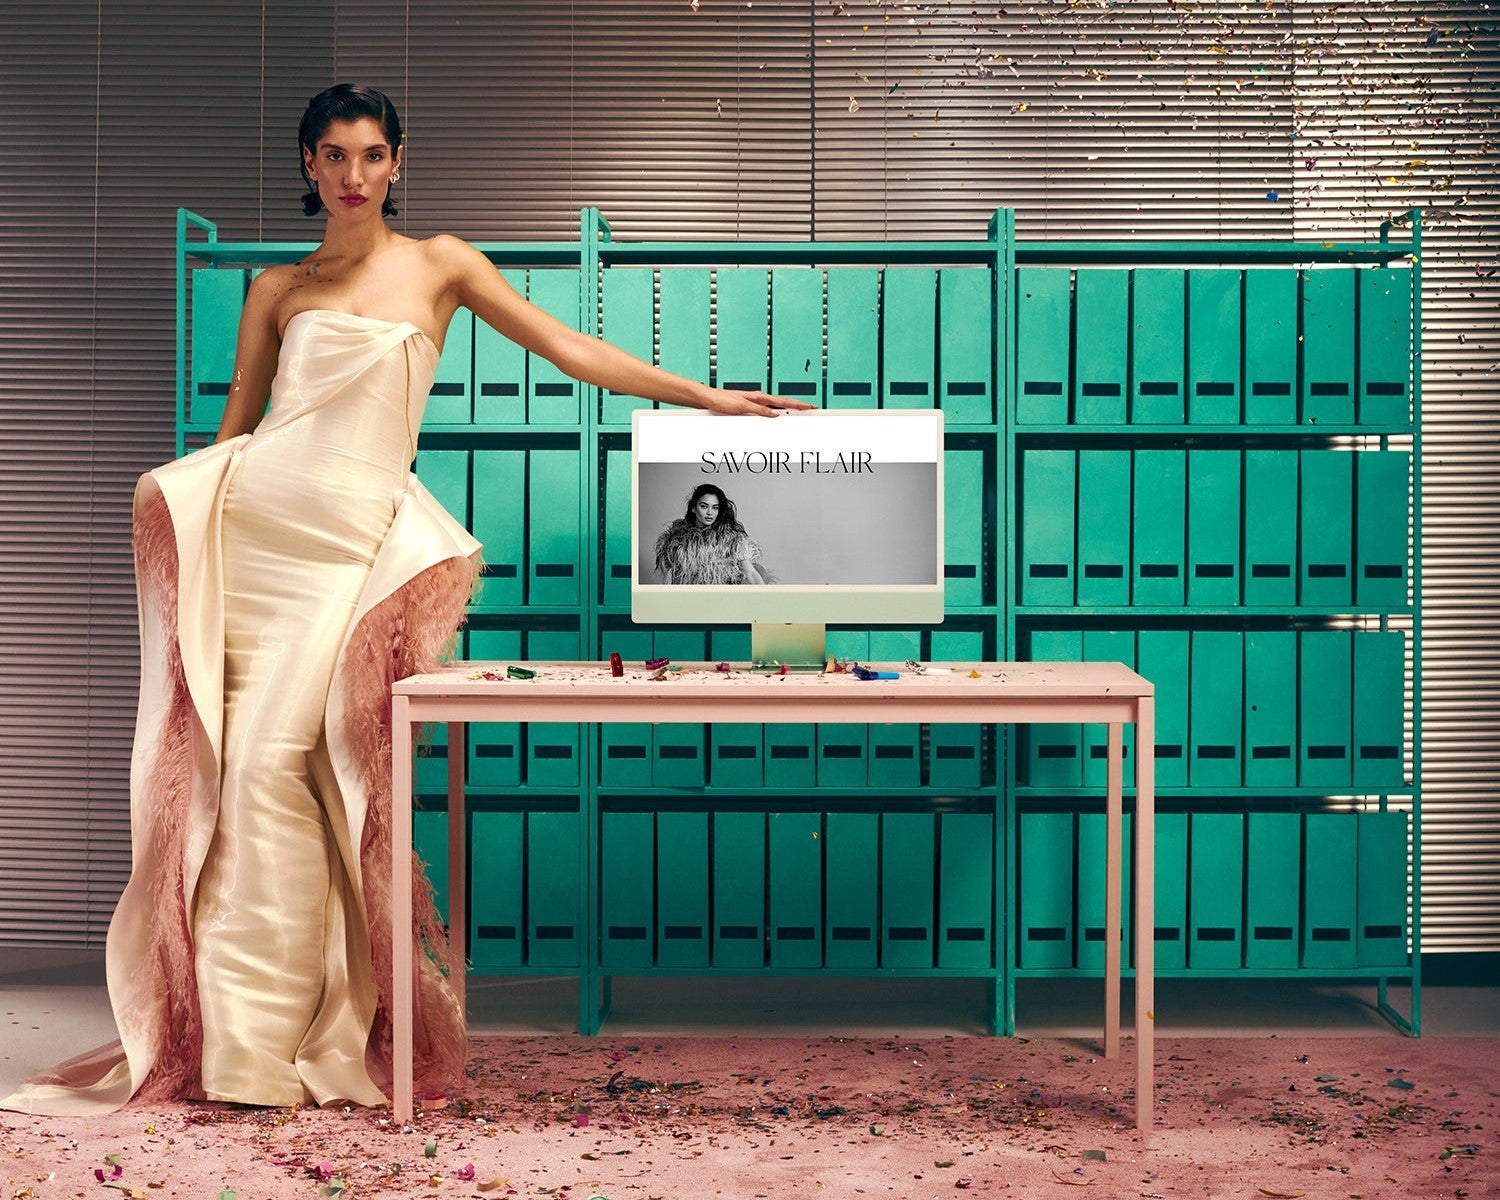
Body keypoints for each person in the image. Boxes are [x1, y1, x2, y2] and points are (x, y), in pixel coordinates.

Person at [1, 83, 808, 1117]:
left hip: (346, 554)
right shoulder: (277, 290)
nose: (352, 174)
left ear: (396, 163)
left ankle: (279, 1041)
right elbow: (239, 424)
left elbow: (572, 351)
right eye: (332, 155)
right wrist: (186, 535)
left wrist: (706, 398)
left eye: (371, 154)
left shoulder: (442, 263)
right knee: (230, 771)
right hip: (251, 540)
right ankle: (238, 1050)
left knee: (284, 766)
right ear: (308, 165)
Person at [654, 483, 772, 585]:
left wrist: (764, 598)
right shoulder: (676, 540)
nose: (710, 512)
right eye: (704, 506)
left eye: (715, 508)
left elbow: (749, 572)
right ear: (693, 508)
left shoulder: (731, 538)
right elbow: (673, 579)